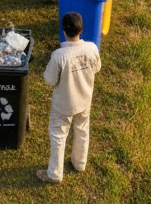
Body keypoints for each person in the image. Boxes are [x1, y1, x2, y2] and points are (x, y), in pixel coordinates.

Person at [37, 11, 101, 184]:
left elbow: (50, 80)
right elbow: (97, 68)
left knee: (58, 134)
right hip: (84, 100)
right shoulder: (92, 48)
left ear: (64, 31)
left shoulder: (59, 56)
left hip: (64, 104)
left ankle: (55, 174)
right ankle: (79, 163)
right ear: (81, 29)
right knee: (82, 129)